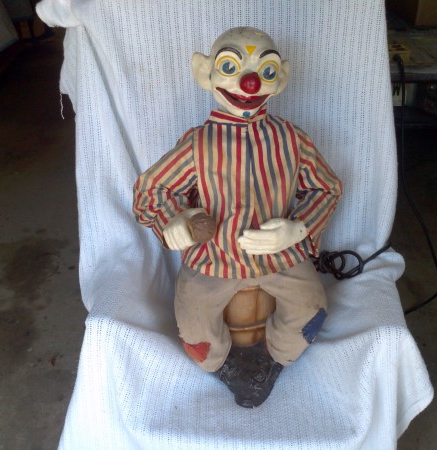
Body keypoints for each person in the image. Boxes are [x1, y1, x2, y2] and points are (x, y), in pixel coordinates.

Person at [133, 27, 342, 407]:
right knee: (194, 325)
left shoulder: (292, 140)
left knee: (312, 309)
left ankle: (276, 358)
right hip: (212, 260)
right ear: (205, 72)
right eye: (230, 67)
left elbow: (326, 188)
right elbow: (152, 191)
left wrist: (298, 228)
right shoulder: (197, 145)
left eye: (266, 70)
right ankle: (222, 364)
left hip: (281, 258)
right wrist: (174, 223)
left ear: (281, 77)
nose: (249, 83)